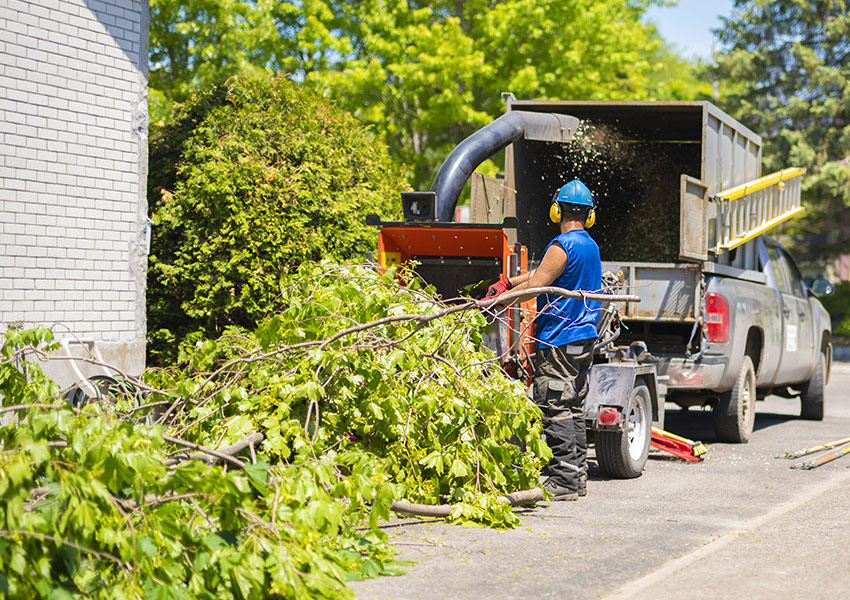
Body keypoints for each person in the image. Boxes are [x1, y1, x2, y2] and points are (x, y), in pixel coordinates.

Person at [485, 179, 602, 501]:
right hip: (582, 338)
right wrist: (508, 281)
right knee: (573, 406)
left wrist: (492, 305)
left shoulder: (562, 245)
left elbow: (535, 287)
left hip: (559, 339)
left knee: (555, 406)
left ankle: (562, 481)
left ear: (556, 210)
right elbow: (544, 274)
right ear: (589, 215)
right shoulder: (588, 245)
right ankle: (576, 479)